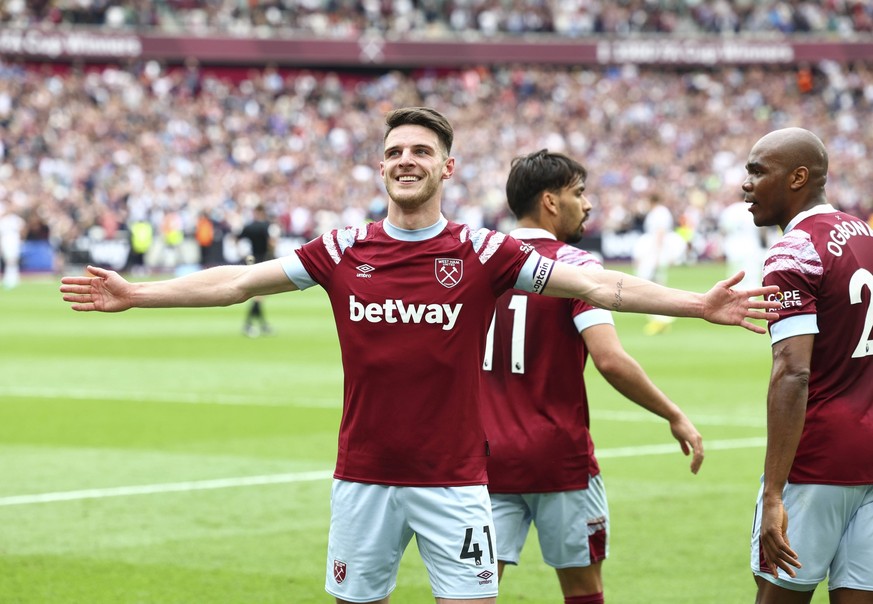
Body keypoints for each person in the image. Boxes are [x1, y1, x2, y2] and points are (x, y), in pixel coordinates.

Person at [61, 107, 779, 604]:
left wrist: (697, 305)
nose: (407, 161)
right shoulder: (343, 249)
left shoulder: (482, 252)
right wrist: (138, 293)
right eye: (396, 152)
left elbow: (598, 284)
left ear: (447, 168)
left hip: (456, 482)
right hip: (363, 479)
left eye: (421, 152)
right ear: (381, 167)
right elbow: (236, 282)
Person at [481, 150, 704, 604]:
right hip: (559, 458)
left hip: (486, 459)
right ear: (549, 201)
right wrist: (673, 413)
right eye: (578, 193)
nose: (588, 205)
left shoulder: (479, 264)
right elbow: (610, 360)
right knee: (583, 592)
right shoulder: (578, 270)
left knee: (473, 591)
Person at [745, 127, 873, 604]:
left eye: (758, 171)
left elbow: (793, 371)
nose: (746, 183)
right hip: (868, 453)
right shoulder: (865, 235)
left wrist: (774, 492)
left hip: (818, 459)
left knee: (779, 595)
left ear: (798, 177)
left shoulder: (794, 249)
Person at [632, 192, 681, 335]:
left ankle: (661, 318)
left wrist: (658, 255)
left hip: (654, 253)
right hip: (654, 252)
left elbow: (660, 233)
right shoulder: (659, 212)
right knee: (653, 285)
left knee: (649, 285)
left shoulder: (659, 213)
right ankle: (660, 318)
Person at [237, 204, 278, 337]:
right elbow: (271, 243)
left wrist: (243, 255)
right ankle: (248, 324)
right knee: (259, 296)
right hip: (264, 261)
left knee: (258, 295)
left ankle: (263, 324)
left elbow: (237, 239)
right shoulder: (266, 226)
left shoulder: (249, 226)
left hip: (252, 260)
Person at [718, 198, 768, 290]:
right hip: (751, 245)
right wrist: (765, 243)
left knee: (734, 276)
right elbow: (762, 228)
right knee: (751, 275)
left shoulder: (730, 210)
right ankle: (751, 300)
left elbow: (723, 230)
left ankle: (733, 298)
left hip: (733, 246)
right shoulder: (754, 208)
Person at [0, 203, 26, 289]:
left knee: (13, 260)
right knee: (7, 260)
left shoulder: (16, 219)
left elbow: (23, 228)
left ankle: (13, 278)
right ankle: (9, 277)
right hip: (5, 240)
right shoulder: (3, 220)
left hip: (14, 240)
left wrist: (22, 238)